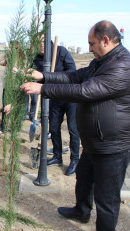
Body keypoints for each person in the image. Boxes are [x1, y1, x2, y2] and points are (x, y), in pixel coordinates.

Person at [21, 20, 130, 231]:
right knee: (83, 180)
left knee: (107, 197)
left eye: (92, 43)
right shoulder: (101, 62)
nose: (89, 48)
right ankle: (81, 211)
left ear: (106, 40)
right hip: (96, 141)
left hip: (114, 146)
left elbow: (85, 90)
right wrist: (43, 76)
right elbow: (74, 77)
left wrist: (42, 89)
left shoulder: (122, 66)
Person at [33, 36, 80, 175]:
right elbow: (35, 77)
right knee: (53, 128)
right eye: (38, 43)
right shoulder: (36, 59)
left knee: (73, 129)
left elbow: (73, 72)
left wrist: (52, 76)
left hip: (70, 95)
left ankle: (75, 160)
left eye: (43, 42)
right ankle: (57, 156)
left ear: (50, 44)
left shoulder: (61, 51)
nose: (41, 45)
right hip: (54, 97)